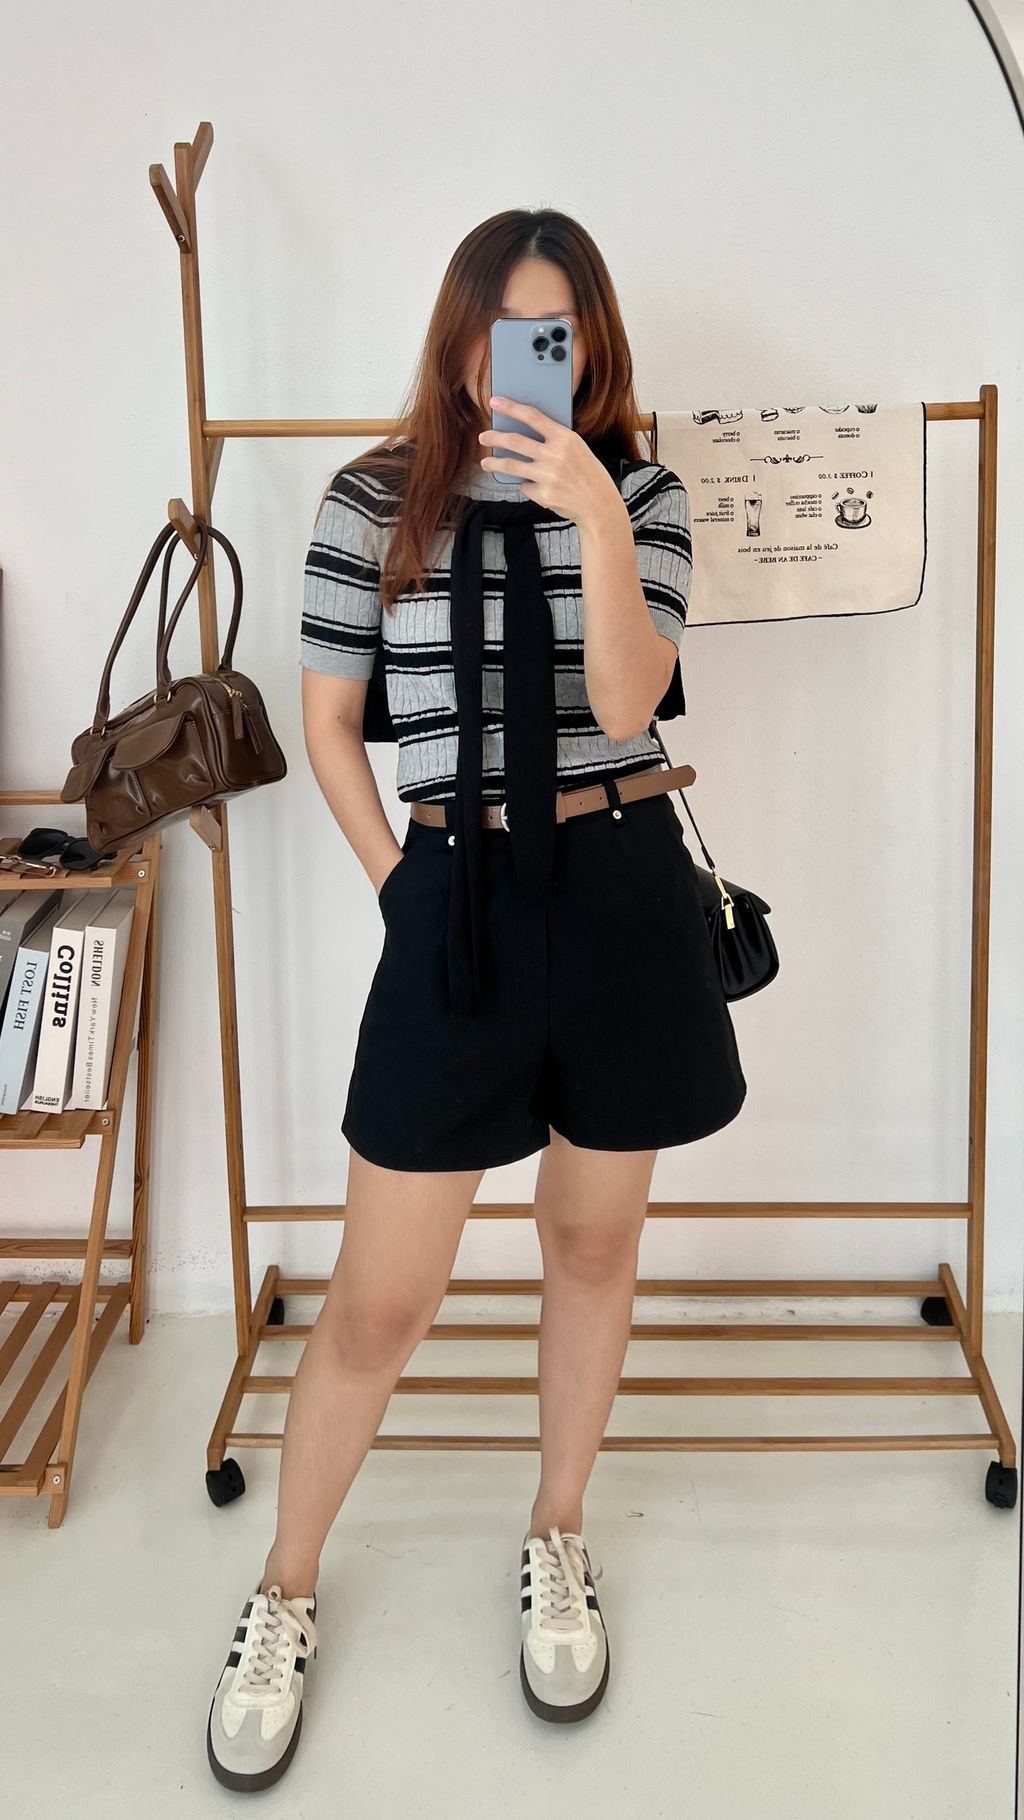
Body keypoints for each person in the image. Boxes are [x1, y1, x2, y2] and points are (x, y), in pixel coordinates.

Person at [206, 207, 747, 1793]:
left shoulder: (644, 495)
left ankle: (558, 1532)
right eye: (500, 332)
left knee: (591, 1242)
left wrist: (592, 518)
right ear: (455, 340)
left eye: (554, 335)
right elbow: (330, 721)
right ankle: (284, 1589)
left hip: (621, 882)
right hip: (452, 895)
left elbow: (631, 699)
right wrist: (399, 881)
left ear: (592, 346)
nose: (523, 362)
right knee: (380, 1302)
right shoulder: (372, 502)